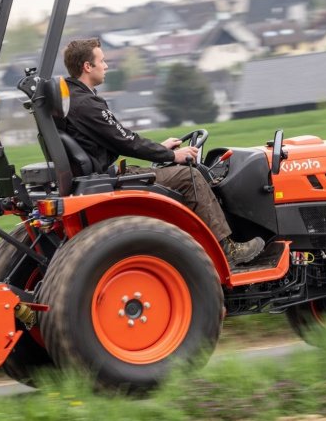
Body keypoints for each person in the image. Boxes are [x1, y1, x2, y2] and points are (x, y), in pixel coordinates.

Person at [61, 37, 265, 266]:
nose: (106, 66)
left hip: (100, 176)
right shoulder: (87, 105)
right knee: (190, 176)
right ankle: (228, 250)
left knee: (172, 172)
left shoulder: (70, 99)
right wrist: (172, 155)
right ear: (87, 66)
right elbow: (125, 141)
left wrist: (160, 148)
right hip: (107, 179)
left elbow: (121, 138)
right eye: (102, 61)